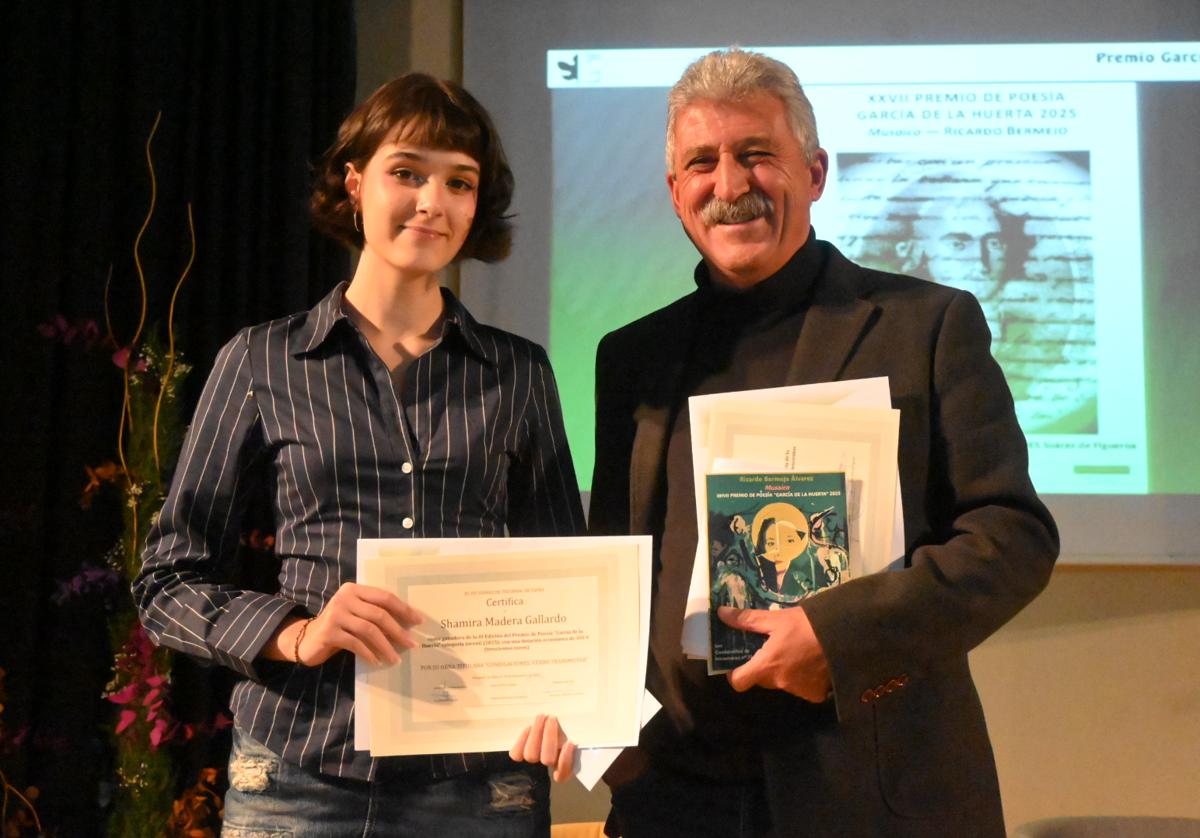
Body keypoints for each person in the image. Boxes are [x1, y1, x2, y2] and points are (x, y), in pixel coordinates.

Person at [589, 49, 1059, 837]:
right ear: (676, 194)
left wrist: (835, 637)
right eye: (703, 163)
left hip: (871, 794)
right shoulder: (632, 357)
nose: (730, 185)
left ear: (815, 172)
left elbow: (1012, 537)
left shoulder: (927, 326)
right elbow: (614, 561)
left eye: (757, 155)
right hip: (675, 799)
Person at [134, 74, 580, 837]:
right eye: (406, 172)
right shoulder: (260, 362)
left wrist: (570, 698)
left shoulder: (519, 373)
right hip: (297, 773)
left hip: (478, 781)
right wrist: (296, 634)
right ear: (354, 182)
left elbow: (568, 576)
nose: (432, 202)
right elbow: (167, 580)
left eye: (459, 182)